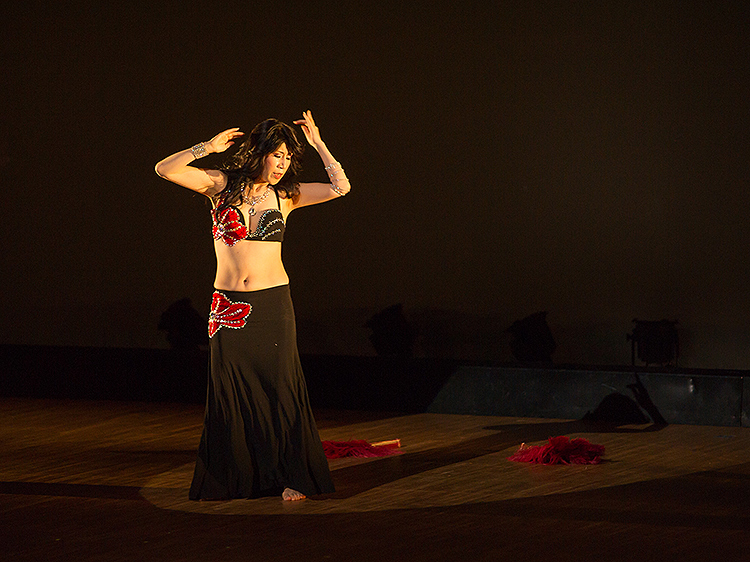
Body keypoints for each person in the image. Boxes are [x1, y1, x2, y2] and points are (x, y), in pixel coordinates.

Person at [155, 110, 350, 501]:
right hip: (228, 306)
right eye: (277, 155)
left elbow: (340, 187)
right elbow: (164, 169)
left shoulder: (287, 195)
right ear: (259, 151)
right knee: (230, 392)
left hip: (272, 305)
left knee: (281, 389)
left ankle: (293, 475)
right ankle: (237, 477)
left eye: (287, 158)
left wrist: (318, 145)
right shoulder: (220, 186)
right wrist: (207, 147)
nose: (282, 165)